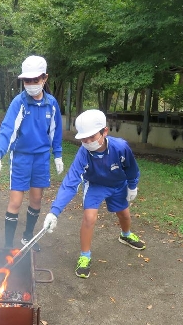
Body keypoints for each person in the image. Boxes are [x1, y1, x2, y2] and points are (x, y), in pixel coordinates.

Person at [42, 109, 145, 278]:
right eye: (84, 138)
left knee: (124, 214)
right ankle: (84, 256)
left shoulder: (120, 147)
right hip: (95, 186)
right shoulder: (83, 154)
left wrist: (132, 186)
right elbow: (70, 183)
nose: (88, 142)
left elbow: (132, 168)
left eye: (92, 137)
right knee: (89, 218)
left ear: (105, 131)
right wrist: (54, 212)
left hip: (118, 184)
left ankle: (125, 235)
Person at [0, 55, 64, 250]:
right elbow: (7, 129)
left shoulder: (51, 103)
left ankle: (27, 237)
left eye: (35, 80)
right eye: (27, 81)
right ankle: (7, 246)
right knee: (15, 201)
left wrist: (57, 154)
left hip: (41, 158)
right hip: (21, 157)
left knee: (37, 199)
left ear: (44, 78)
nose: (31, 84)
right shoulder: (19, 103)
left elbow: (56, 131)